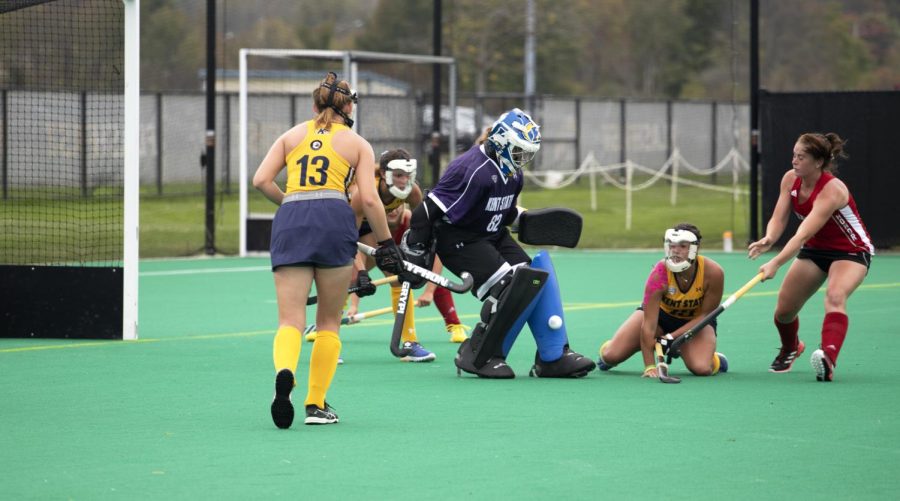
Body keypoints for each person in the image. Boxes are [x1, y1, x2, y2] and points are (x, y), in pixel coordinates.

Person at [253, 72, 405, 428]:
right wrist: (385, 245)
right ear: (349, 107)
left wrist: (290, 202)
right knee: (328, 322)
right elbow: (368, 198)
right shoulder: (357, 144)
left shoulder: (291, 136)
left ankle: (286, 373)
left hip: (291, 219)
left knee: (290, 320)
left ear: (314, 104)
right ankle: (315, 404)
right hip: (334, 219)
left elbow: (260, 180)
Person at [401, 108, 596, 379]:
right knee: (511, 284)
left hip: (492, 234)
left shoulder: (513, 173)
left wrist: (527, 221)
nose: (523, 159)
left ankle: (552, 357)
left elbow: (503, 212)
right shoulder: (470, 170)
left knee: (537, 278)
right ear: (502, 142)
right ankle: (478, 355)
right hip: (460, 240)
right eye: (519, 152)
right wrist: (415, 251)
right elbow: (426, 212)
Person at [748, 132, 873, 382]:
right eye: (794, 155)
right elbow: (779, 217)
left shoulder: (832, 190)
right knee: (784, 311)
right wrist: (769, 239)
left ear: (817, 162)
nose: (794, 161)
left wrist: (776, 262)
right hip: (816, 250)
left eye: (801, 157)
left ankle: (827, 358)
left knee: (835, 296)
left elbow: (802, 234)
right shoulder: (790, 179)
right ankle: (791, 347)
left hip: (851, 251)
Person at [343, 149, 466, 362]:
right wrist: (361, 271)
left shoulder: (412, 192)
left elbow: (427, 227)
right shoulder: (363, 193)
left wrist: (422, 255)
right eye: (398, 175)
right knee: (345, 275)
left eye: (407, 175)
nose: (403, 181)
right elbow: (348, 239)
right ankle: (327, 333)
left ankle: (409, 342)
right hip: (346, 224)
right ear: (384, 174)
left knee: (398, 275)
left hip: (375, 227)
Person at [597, 223, 728, 378]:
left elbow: (706, 315)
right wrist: (650, 366)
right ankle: (612, 347)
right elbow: (649, 325)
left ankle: (716, 359)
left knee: (701, 369)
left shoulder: (713, 273)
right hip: (660, 318)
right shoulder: (659, 274)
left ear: (695, 248)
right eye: (671, 246)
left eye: (682, 246)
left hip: (696, 322)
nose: (675, 251)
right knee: (611, 356)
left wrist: (672, 338)